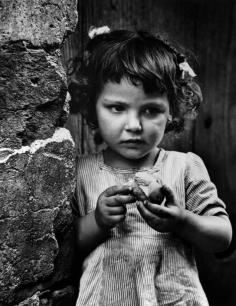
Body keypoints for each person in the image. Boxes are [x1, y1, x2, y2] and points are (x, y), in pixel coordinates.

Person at [70, 26, 232, 306]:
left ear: (172, 111)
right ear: (91, 106)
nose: (134, 125)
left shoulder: (184, 167)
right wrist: (96, 221)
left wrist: (182, 221)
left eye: (151, 110)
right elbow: (64, 250)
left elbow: (222, 237)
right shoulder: (80, 173)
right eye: (117, 108)